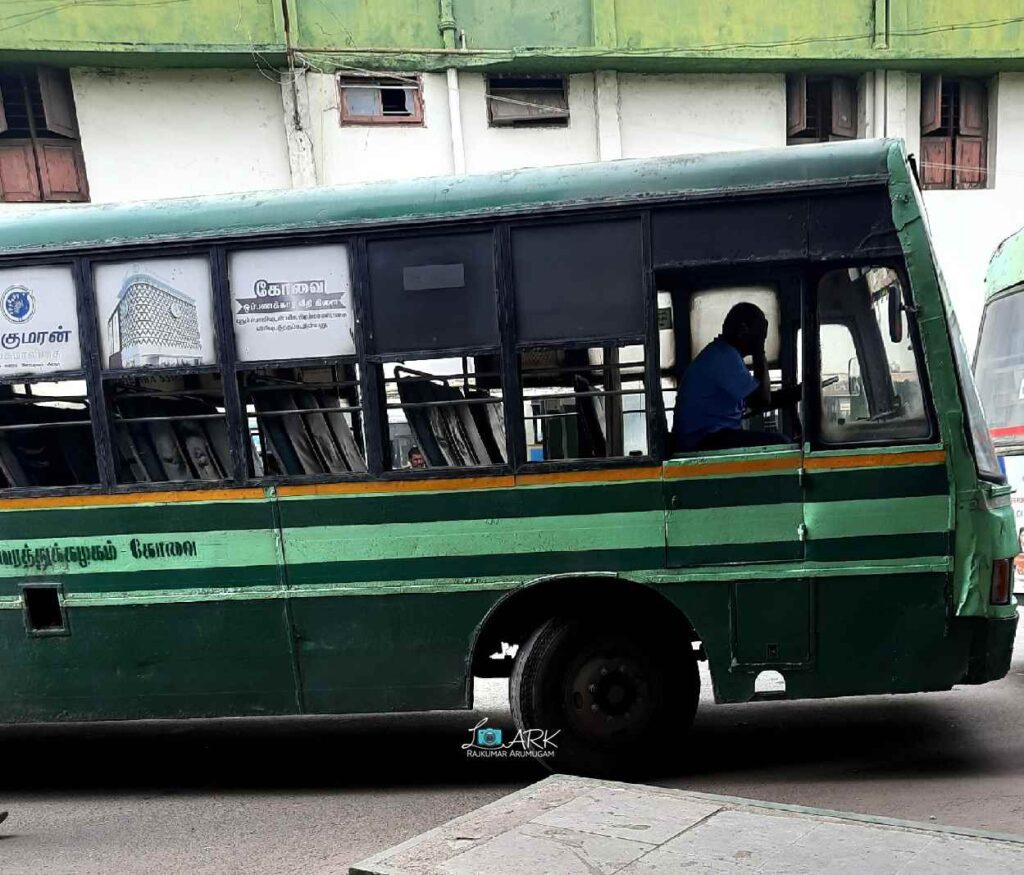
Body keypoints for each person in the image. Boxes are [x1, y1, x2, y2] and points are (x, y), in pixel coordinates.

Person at [671, 302, 800, 453]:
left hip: (704, 438)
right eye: (760, 333)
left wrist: (797, 392)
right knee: (781, 444)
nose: (763, 338)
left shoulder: (721, 353)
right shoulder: (724, 356)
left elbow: (755, 401)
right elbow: (762, 400)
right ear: (743, 330)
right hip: (702, 441)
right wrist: (759, 349)